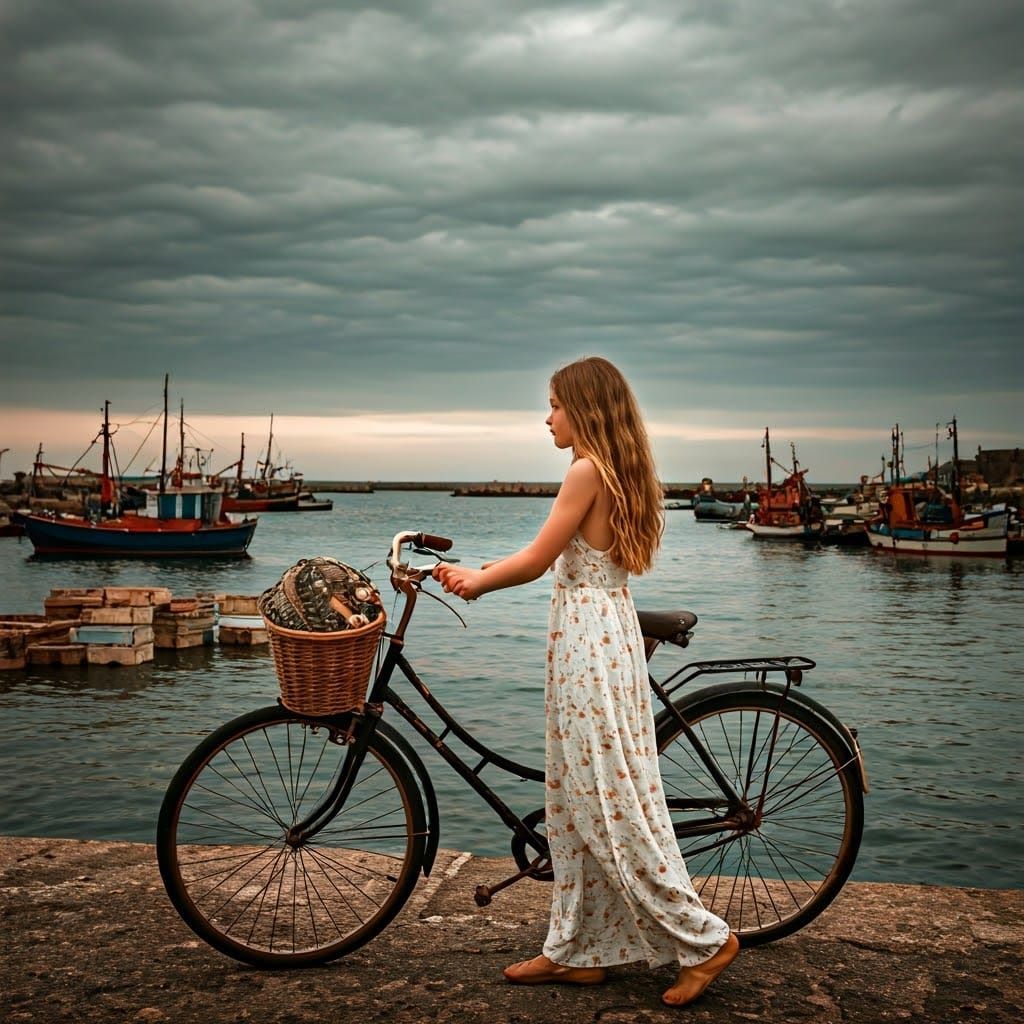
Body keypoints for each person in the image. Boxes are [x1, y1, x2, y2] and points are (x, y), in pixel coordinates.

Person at [434, 356, 739, 1007]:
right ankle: (578, 948)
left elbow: (539, 559)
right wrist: (483, 568)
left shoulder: (584, 470)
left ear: (584, 409)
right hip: (599, 632)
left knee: (605, 804)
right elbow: (561, 556)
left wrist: (478, 582)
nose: (547, 417)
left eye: (555, 404)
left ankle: (705, 941)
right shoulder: (612, 469)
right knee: (572, 801)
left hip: (589, 648)